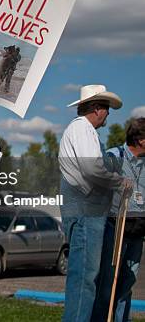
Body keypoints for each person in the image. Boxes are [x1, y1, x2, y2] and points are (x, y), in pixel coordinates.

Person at [58, 84, 132, 322]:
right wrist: (118, 181)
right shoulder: (82, 129)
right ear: (97, 108)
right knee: (84, 279)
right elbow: (92, 169)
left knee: (87, 277)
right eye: (107, 108)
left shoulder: (82, 131)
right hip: (85, 212)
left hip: (85, 210)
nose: (108, 114)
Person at [92, 117, 145, 322]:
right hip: (116, 228)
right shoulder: (115, 156)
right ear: (141, 140)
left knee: (126, 283)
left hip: (137, 232)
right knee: (108, 284)